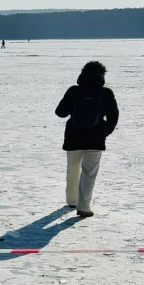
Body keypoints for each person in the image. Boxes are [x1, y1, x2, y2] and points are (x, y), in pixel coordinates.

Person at [55, 61, 119, 218]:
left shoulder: (74, 91)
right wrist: (105, 131)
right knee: (89, 173)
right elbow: (113, 116)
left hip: (73, 137)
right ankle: (83, 207)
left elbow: (60, 112)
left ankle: (72, 200)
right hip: (95, 139)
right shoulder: (106, 93)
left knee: (73, 169)